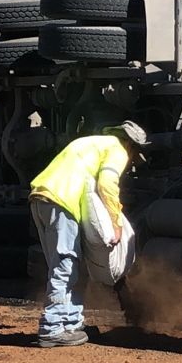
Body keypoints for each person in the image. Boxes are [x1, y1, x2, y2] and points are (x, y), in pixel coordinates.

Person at [28, 121, 147, 348]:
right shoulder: (117, 149)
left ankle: (71, 324)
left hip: (43, 198)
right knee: (66, 264)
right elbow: (107, 184)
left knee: (74, 264)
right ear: (131, 145)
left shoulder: (90, 143)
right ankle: (52, 328)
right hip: (63, 201)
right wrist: (115, 221)